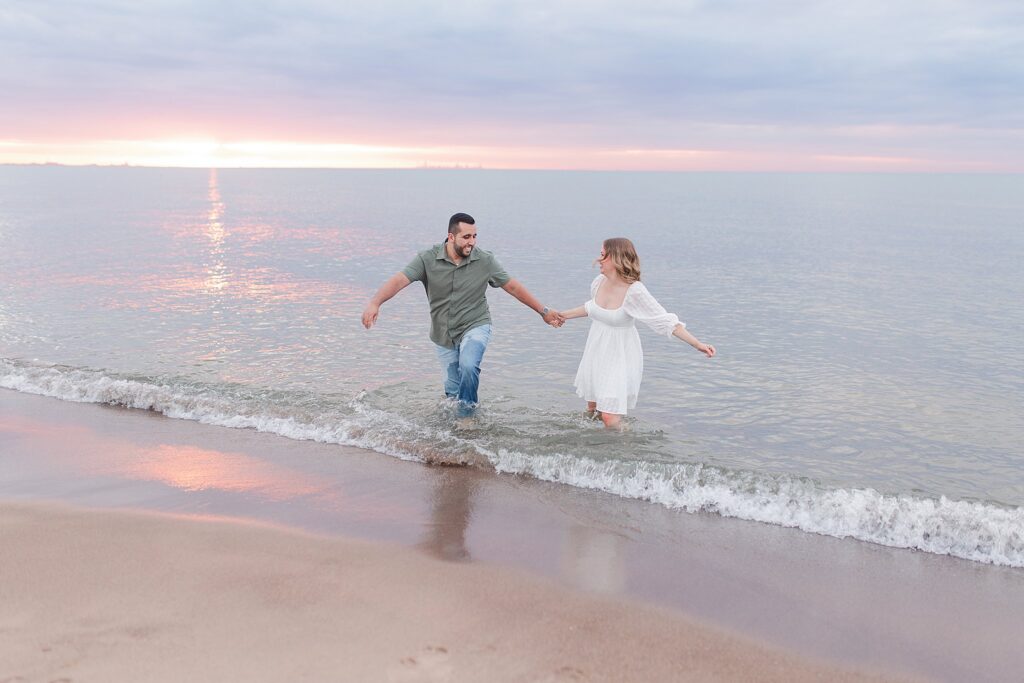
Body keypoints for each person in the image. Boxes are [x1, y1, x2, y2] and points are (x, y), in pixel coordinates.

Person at [361, 212, 563, 423]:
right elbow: (399, 280)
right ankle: (454, 431)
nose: (472, 242)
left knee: (468, 365)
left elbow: (512, 286)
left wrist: (543, 311)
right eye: (466, 237)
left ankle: (467, 420)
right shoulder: (427, 259)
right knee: (452, 394)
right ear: (451, 237)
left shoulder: (485, 260)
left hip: (476, 324)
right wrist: (375, 303)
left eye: (474, 236)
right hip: (443, 334)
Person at [560, 238, 715, 429]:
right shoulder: (598, 283)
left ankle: (625, 442)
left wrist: (697, 344)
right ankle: (593, 444)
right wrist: (560, 316)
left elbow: (665, 321)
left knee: (608, 415)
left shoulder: (635, 291)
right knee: (593, 409)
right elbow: (590, 308)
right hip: (596, 351)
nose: (598, 260)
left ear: (616, 258)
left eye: (602, 255)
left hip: (620, 356)